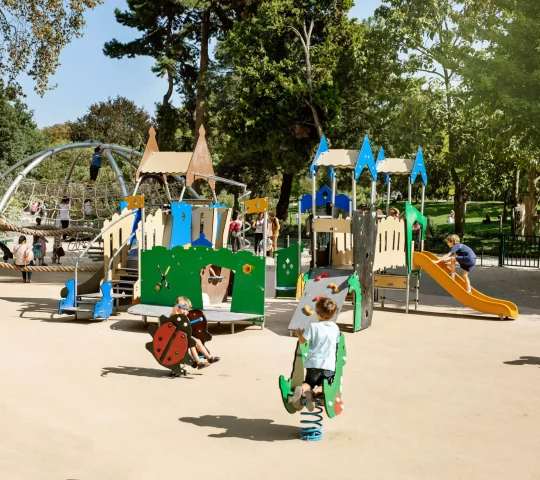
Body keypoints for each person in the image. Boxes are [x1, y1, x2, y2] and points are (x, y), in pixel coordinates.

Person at [290, 298, 340, 412]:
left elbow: (303, 341)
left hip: (313, 363)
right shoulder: (335, 328)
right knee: (327, 384)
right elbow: (336, 344)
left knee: (309, 382)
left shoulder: (313, 326)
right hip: (328, 365)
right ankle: (314, 393)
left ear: (317, 313)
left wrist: (299, 334)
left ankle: (302, 390)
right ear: (333, 315)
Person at [170, 296, 220, 369]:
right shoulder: (175, 315)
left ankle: (209, 358)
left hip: (184, 336)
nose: (186, 311)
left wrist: (183, 311)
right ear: (179, 307)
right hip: (176, 337)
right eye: (184, 308)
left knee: (198, 341)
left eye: (187, 309)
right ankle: (199, 362)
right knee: (193, 343)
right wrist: (178, 306)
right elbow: (175, 311)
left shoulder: (185, 317)